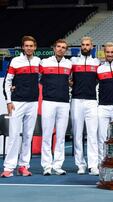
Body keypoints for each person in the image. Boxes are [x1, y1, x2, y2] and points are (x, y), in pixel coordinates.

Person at [1, 36, 40, 177]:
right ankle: (8, 167)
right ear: (23, 47)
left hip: (33, 103)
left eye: (31, 45)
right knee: (13, 135)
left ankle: (23, 166)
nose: (29, 48)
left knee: (28, 136)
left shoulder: (38, 61)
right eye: (26, 46)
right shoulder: (15, 61)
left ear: (35, 47)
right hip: (17, 103)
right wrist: (8, 101)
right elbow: (7, 82)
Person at [40, 39, 72, 176]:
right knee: (46, 136)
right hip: (48, 102)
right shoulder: (44, 62)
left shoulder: (69, 64)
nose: (60, 49)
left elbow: (72, 81)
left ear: (66, 50)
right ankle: (47, 166)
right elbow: (34, 78)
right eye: (58, 47)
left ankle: (58, 165)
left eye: (63, 47)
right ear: (54, 48)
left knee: (60, 137)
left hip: (64, 103)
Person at [70, 36, 100, 175]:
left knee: (93, 134)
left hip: (92, 101)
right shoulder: (73, 62)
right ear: (80, 46)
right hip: (76, 100)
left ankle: (93, 165)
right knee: (77, 134)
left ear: (92, 47)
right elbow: (65, 79)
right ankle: (80, 164)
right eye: (83, 45)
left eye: (88, 45)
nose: (85, 47)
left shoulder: (97, 63)